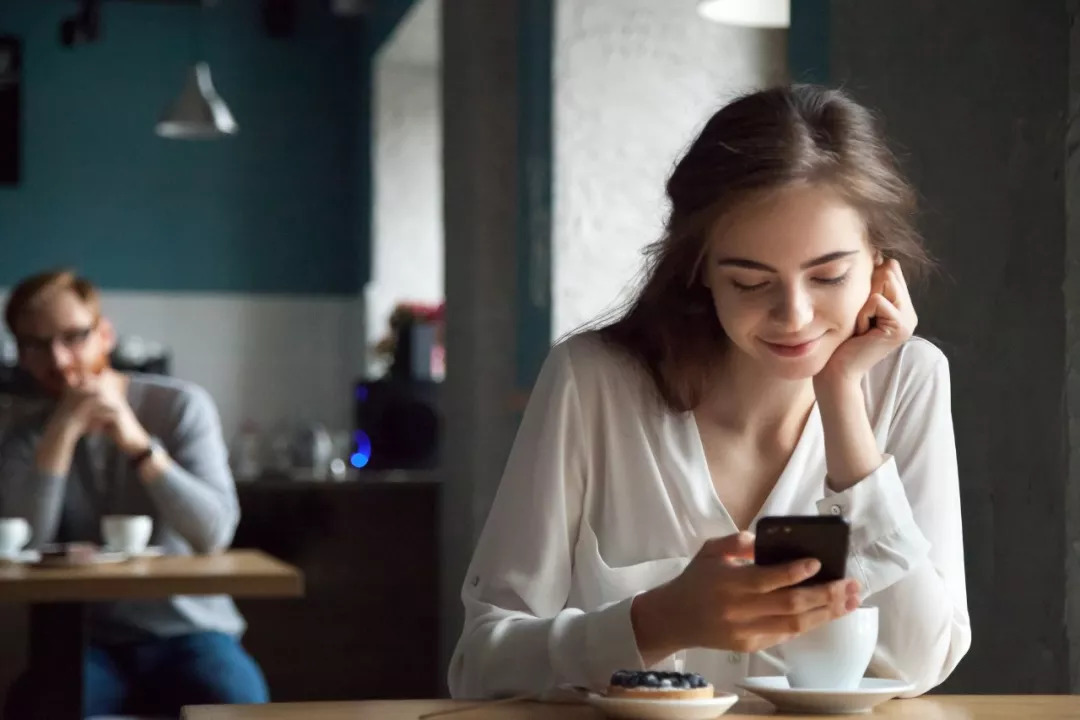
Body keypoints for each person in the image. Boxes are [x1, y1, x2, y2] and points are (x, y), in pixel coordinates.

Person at [448, 85, 970, 700]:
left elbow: (923, 661)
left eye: (829, 276)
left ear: (881, 262)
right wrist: (658, 621)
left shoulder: (907, 380)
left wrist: (842, 403)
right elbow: (479, 666)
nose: (794, 316)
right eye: (750, 282)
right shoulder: (593, 382)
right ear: (698, 267)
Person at [0, 270, 268, 718]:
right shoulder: (22, 431)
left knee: (240, 705)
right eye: (36, 344)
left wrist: (136, 441)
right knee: (41, 707)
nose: (59, 359)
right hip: (84, 639)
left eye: (74, 337)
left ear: (105, 334)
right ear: (21, 356)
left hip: (192, 630)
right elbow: (20, 547)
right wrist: (61, 432)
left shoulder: (182, 406)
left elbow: (213, 534)